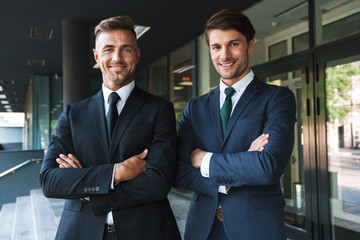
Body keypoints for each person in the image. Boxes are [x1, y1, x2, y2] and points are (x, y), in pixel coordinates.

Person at [40, 16, 181, 240]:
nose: (117, 58)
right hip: (81, 231)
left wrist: (88, 189)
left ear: (137, 54)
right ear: (97, 56)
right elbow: (51, 181)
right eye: (108, 49)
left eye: (126, 49)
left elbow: (158, 181)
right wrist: (117, 173)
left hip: (146, 230)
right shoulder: (73, 114)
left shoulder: (159, 110)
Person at [173, 8, 296, 240]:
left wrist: (203, 159)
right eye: (216, 47)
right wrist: (241, 166)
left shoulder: (277, 98)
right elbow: (178, 171)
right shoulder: (195, 107)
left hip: (257, 229)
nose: (224, 55)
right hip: (203, 229)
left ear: (250, 45)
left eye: (234, 44)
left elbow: (267, 166)